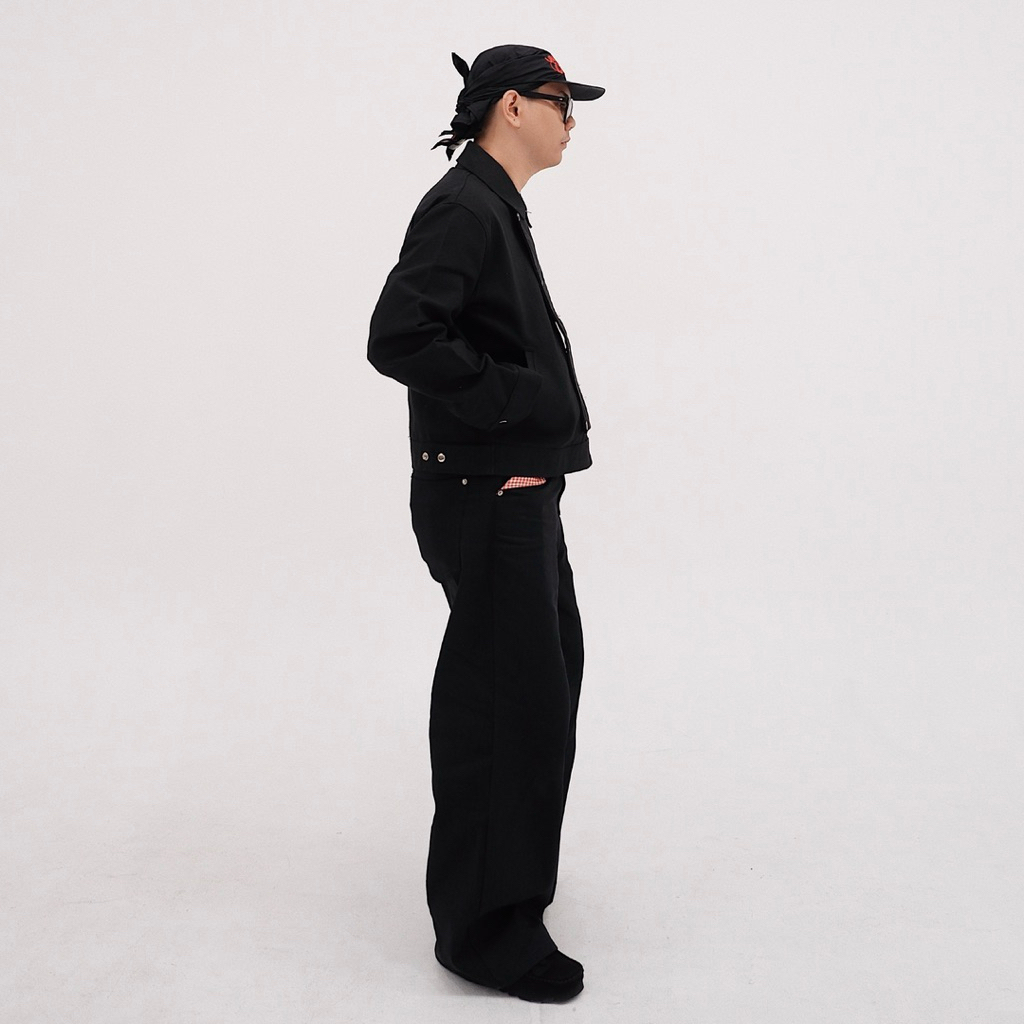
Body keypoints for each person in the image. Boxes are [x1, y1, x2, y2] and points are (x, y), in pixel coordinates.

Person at [366, 43, 605, 1004]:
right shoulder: (464, 206)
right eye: (560, 102)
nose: (571, 121)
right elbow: (400, 334)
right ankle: (484, 931)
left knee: (543, 688)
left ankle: (512, 885)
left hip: (514, 492)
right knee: (505, 707)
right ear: (511, 105)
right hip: (486, 493)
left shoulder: (495, 205)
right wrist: (513, 406)